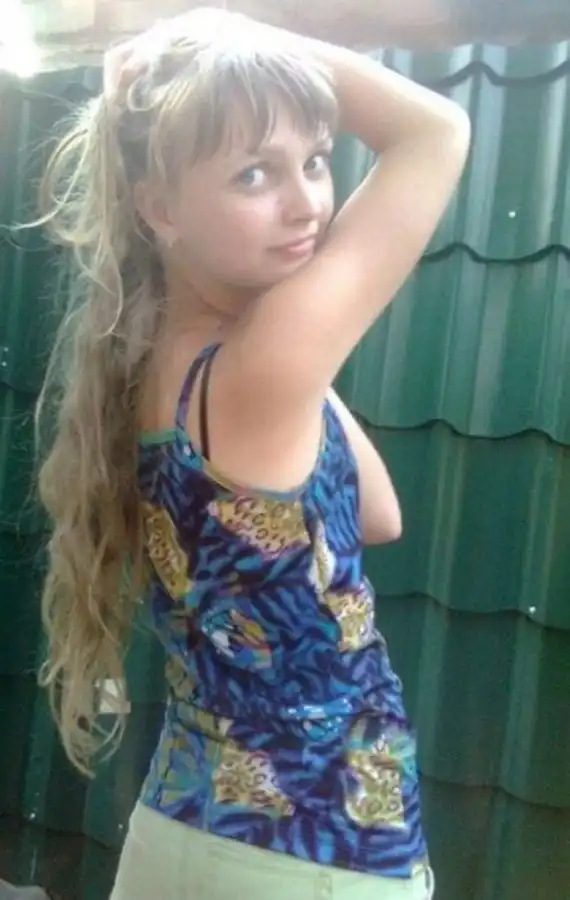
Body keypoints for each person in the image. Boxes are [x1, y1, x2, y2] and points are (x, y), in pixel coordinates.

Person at [34, 8, 470, 899]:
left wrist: (300, 349)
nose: (307, 203)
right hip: (318, 853)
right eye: (253, 173)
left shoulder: (166, 357)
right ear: (160, 208)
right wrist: (222, 26)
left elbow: (376, 516)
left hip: (179, 826)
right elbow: (436, 130)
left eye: (315, 159)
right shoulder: (259, 371)